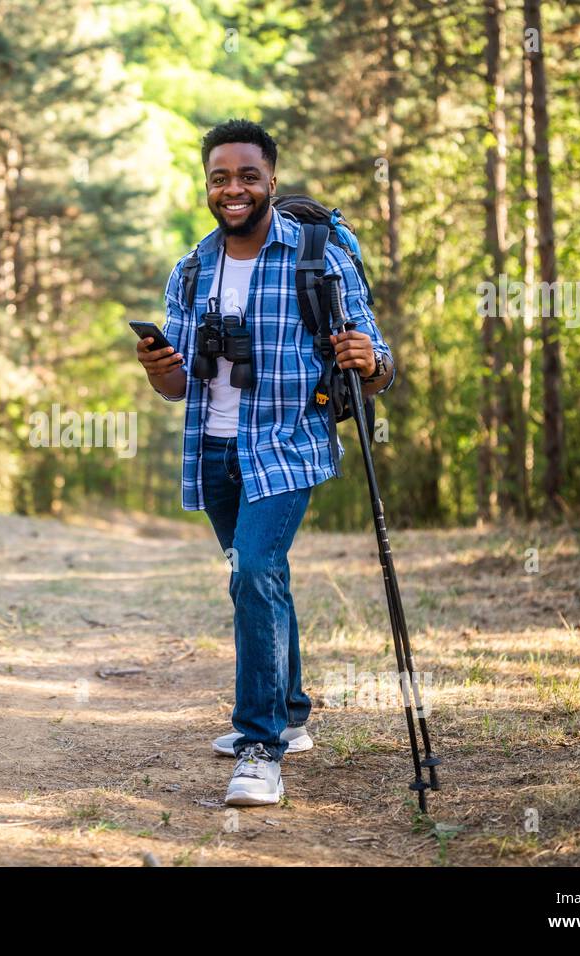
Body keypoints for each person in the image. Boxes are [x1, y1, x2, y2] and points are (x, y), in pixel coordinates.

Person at [135, 119, 395, 807]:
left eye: (248, 175)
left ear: (271, 180)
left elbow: (377, 362)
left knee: (254, 570)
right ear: (208, 185)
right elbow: (176, 386)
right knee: (258, 576)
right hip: (214, 448)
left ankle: (258, 747)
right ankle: (293, 711)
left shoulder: (319, 259)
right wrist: (158, 366)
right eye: (221, 177)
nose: (234, 189)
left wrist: (371, 363)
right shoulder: (192, 268)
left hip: (286, 443)